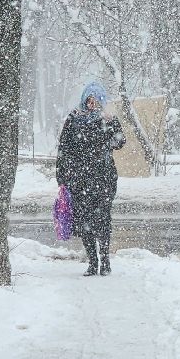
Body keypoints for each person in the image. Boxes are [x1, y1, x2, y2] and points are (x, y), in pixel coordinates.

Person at [56, 82, 127, 276]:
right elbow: (64, 148)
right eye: (89, 100)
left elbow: (120, 142)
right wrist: (61, 175)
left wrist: (112, 122)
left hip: (104, 179)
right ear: (84, 100)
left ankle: (105, 261)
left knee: (102, 220)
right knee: (84, 221)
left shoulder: (108, 118)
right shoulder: (74, 118)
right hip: (79, 180)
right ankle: (92, 262)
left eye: (96, 101)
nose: (92, 104)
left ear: (102, 101)